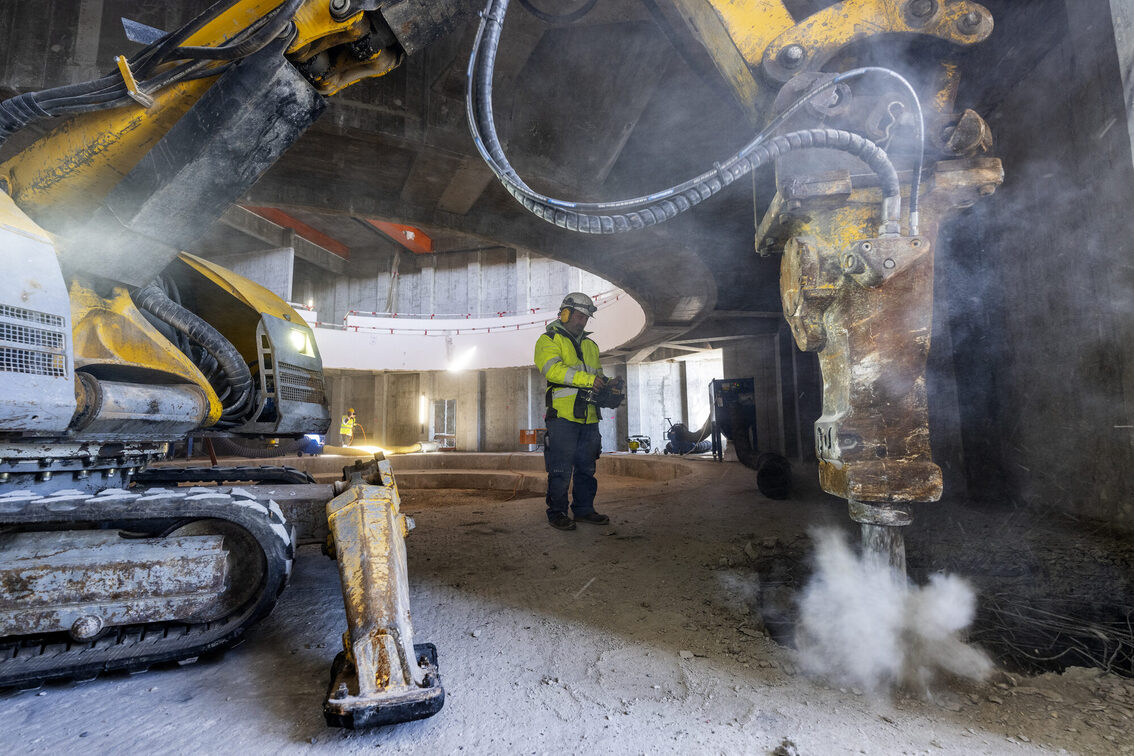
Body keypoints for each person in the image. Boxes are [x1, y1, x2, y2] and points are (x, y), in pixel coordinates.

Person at [534, 292, 611, 531]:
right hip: (564, 417)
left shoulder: (590, 345)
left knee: (587, 467)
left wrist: (608, 386)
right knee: (560, 468)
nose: (582, 321)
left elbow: (596, 376)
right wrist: (588, 380)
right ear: (565, 313)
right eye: (578, 316)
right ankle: (557, 513)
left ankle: (584, 510)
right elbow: (553, 371)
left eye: (585, 318)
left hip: (589, 416)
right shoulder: (549, 340)